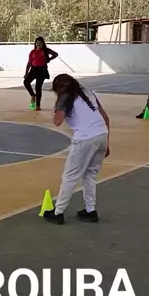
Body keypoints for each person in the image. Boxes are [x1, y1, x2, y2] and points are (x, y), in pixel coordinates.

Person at [43, 73, 111, 225]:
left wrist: (55, 109)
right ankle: (90, 210)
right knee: (90, 175)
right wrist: (107, 144)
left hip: (85, 138)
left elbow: (57, 121)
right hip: (102, 134)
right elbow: (106, 118)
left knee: (70, 176)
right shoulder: (88, 93)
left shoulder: (65, 98)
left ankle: (58, 212)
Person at [24, 37, 58, 111]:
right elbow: (29, 63)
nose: (39, 44)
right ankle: (33, 95)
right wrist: (26, 72)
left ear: (43, 43)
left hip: (42, 71)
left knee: (38, 87)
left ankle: (37, 105)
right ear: (35, 44)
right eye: (37, 43)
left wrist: (49, 59)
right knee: (26, 82)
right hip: (33, 70)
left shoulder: (46, 50)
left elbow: (55, 54)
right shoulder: (32, 52)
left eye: (40, 43)